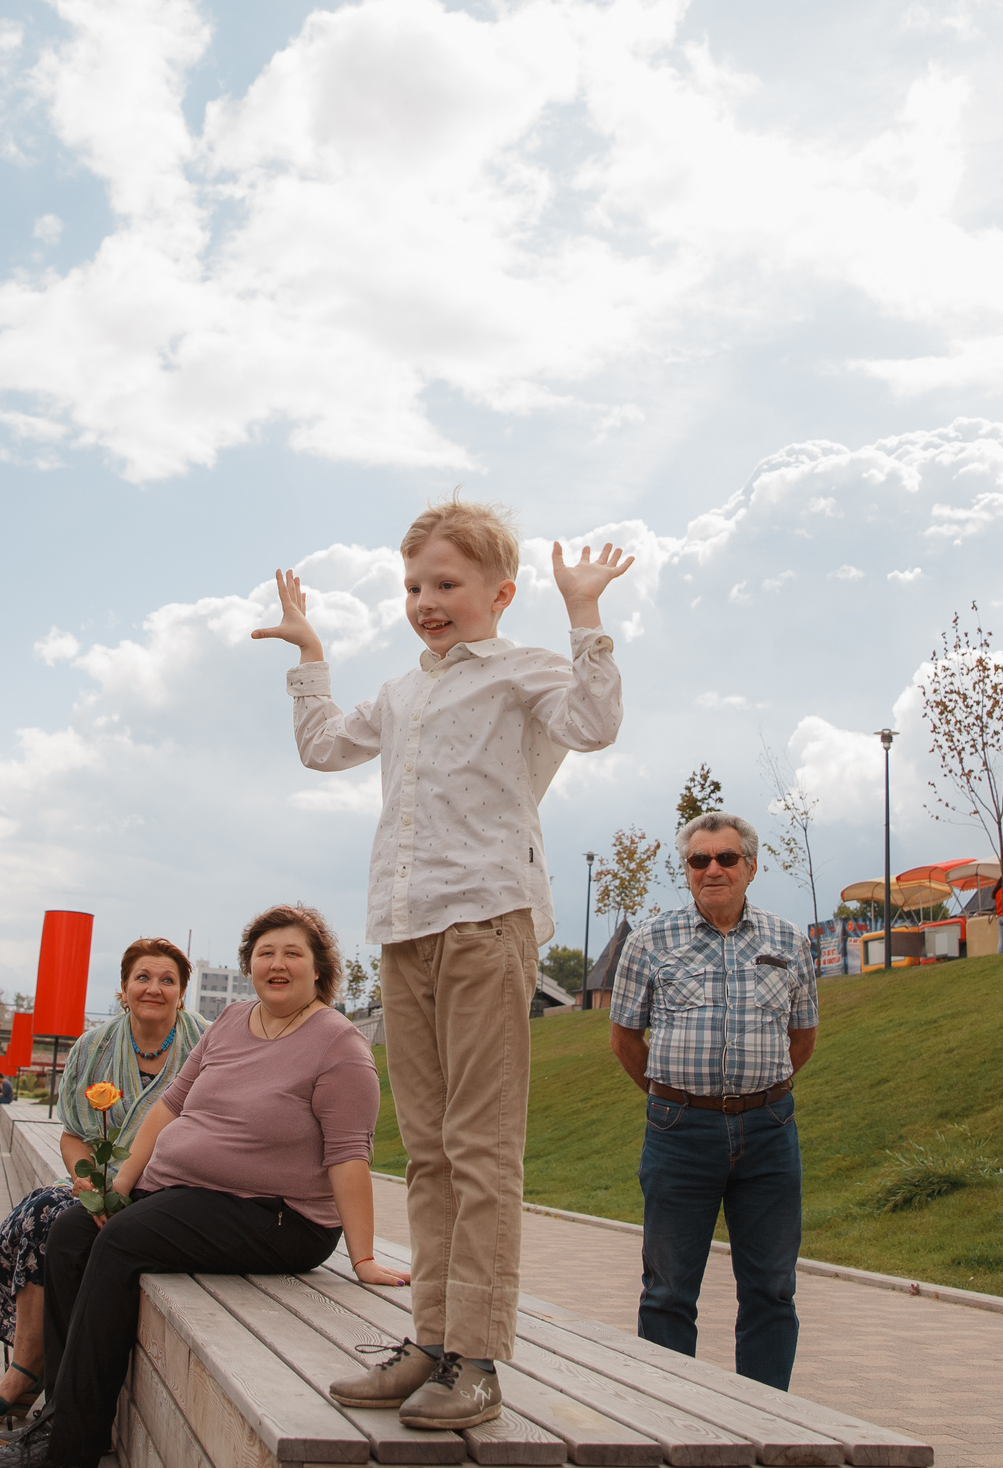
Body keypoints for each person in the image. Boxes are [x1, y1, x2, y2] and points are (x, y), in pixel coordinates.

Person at [254, 500, 630, 1428]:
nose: (427, 600)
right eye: (416, 585)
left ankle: (479, 1360)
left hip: (486, 921)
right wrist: (310, 656)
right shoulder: (403, 691)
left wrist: (585, 616)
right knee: (425, 1151)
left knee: (480, 1148)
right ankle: (428, 1344)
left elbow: (594, 722)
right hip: (406, 927)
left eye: (448, 584)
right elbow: (322, 747)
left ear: (500, 593)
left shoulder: (523, 670)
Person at [0, 905, 402, 1468]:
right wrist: (119, 1185)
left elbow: (349, 1156)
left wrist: (363, 1256)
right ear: (249, 964)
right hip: (192, 1193)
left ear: (320, 970)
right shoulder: (231, 1021)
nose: (277, 964)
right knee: (75, 1229)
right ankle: (59, 1415)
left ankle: (67, 1449)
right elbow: (169, 1107)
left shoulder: (338, 1046)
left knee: (123, 1241)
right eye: (265, 953)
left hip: (279, 1217)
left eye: (293, 953)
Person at [606, 811, 818, 1390]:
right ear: (688, 871)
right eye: (700, 860)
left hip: (769, 1133)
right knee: (669, 1289)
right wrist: (671, 1097)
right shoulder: (650, 940)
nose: (713, 869)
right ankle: (671, 1419)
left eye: (727, 858)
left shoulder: (790, 941)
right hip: (680, 1134)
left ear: (751, 866)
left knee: (772, 1288)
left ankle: (766, 1420)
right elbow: (624, 1038)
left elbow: (802, 1037)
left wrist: (757, 1092)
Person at [0, 938, 204, 1426]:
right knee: (44, 1213)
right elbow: (73, 1136)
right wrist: (87, 1186)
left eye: (167, 980)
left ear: (182, 993)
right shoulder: (94, 1047)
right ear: (122, 989)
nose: (153, 988)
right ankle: (30, 1367)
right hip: (99, 1180)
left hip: (172, 1187)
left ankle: (32, 1374)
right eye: (142, 978)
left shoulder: (209, 1045)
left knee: (52, 1218)